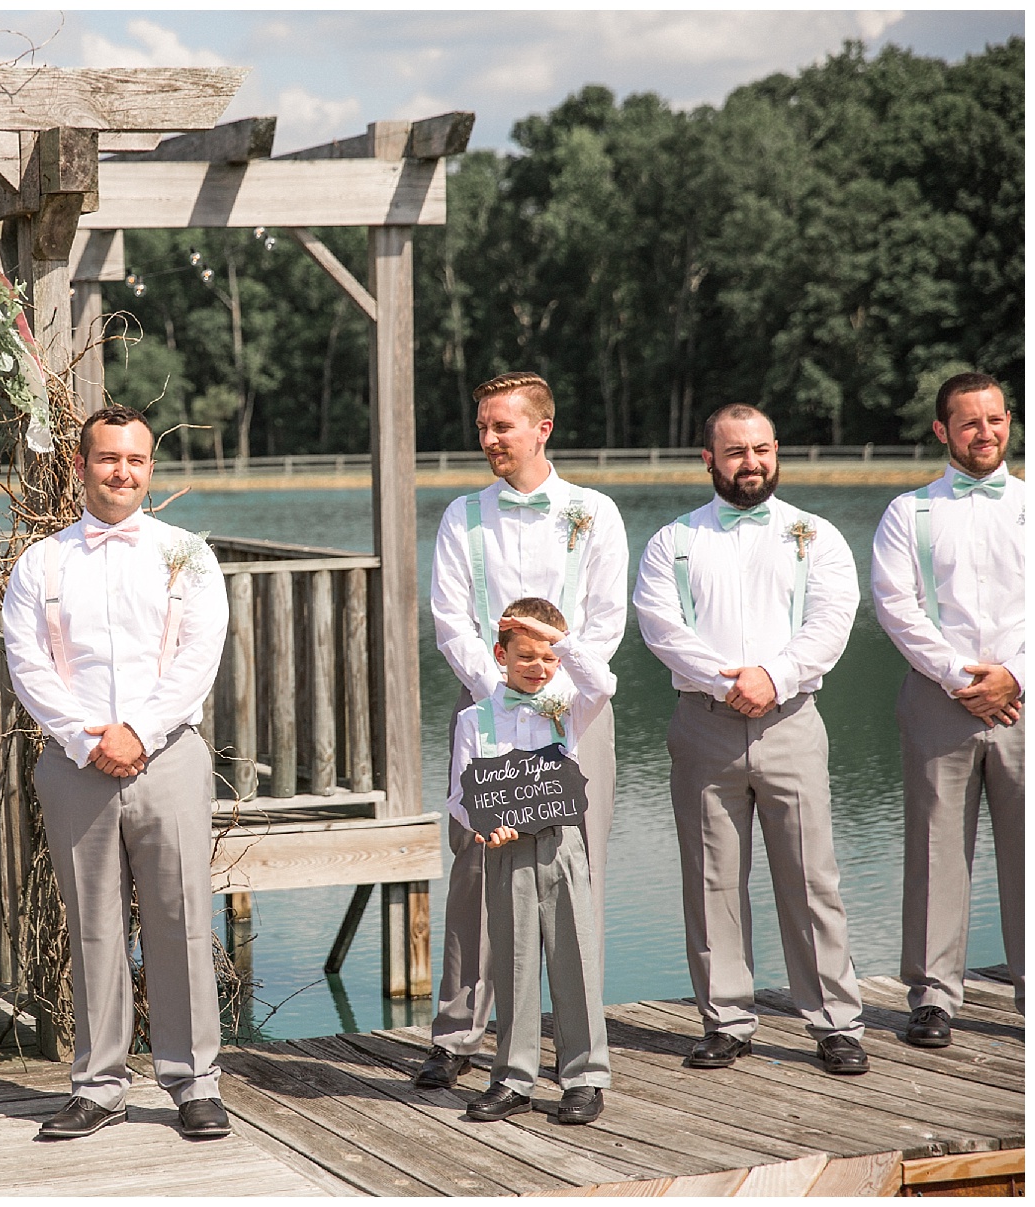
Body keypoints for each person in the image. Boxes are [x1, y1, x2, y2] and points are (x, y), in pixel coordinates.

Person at [1, 405, 232, 1141]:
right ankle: (99, 1086)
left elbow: (200, 655)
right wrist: (81, 736)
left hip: (168, 756)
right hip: (77, 763)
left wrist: (140, 731)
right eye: (106, 458)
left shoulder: (187, 554)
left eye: (134, 459)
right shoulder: (42, 562)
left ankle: (194, 1082)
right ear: (81, 466)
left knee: (183, 920)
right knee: (94, 927)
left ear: (149, 469)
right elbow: (26, 661)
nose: (120, 471)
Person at [632, 403, 869, 1076]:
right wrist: (727, 680)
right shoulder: (671, 541)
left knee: (811, 876)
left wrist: (775, 675)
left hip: (792, 720)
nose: (752, 462)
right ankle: (726, 1020)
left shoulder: (814, 535)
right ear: (708, 459)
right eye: (736, 452)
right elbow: (660, 626)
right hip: (703, 725)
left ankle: (835, 1022)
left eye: (763, 449)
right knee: (712, 881)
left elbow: (831, 621)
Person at [418, 371, 628, 1092]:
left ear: (543, 428)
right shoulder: (462, 517)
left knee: (575, 872)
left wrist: (554, 695)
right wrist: (502, 689)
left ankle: (577, 1048)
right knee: (476, 866)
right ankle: (458, 1034)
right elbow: (450, 619)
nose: (488, 439)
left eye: (501, 426)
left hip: (575, 714)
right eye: (482, 427)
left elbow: (605, 620)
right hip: (486, 710)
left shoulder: (594, 512)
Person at [871, 371, 1024, 1039]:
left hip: (1026, 699)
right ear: (942, 431)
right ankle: (933, 995)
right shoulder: (910, 512)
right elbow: (895, 606)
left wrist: (1014, 676)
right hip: (941, 696)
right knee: (937, 850)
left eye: (995, 419)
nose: (984, 432)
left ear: (1009, 421)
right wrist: (964, 677)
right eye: (969, 422)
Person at [449, 598, 613, 1125]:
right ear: (501, 655)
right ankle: (514, 1078)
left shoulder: (569, 705)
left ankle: (583, 1078)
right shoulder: (474, 718)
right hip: (505, 852)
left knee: (575, 962)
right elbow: (459, 791)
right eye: (525, 656)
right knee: (515, 966)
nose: (537, 667)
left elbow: (603, 684)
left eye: (547, 657)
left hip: (562, 845)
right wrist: (481, 825)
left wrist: (555, 636)